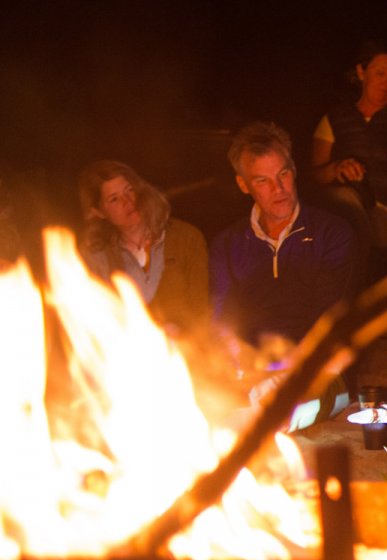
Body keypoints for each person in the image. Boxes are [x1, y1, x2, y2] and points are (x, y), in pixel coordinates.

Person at [209, 122, 360, 429]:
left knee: (274, 415)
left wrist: (281, 368)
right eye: (262, 181)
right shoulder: (228, 243)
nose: (278, 189)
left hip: (316, 371)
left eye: (283, 174)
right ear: (243, 184)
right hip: (250, 370)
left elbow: (327, 321)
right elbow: (221, 317)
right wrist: (239, 361)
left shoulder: (332, 233)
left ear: (294, 170)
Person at [311, 40, 387, 251]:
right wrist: (336, 168)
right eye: (380, 74)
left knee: (349, 229)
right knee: (344, 203)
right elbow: (313, 175)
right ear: (361, 72)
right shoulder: (333, 119)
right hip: (341, 206)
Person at [77, 160, 208, 333]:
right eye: (114, 199)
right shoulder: (96, 255)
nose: (128, 201)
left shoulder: (186, 238)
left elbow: (201, 311)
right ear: (98, 211)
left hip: (186, 352)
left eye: (129, 190)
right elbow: (94, 321)